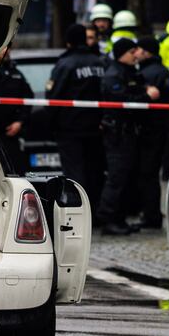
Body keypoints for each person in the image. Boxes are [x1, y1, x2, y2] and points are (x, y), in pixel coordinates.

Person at [46, 23, 111, 203]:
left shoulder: (65, 64)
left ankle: (79, 211)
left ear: (68, 42)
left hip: (70, 129)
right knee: (94, 171)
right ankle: (95, 212)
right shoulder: (100, 63)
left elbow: (53, 97)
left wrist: (50, 125)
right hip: (96, 128)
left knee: (75, 174)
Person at [97, 38, 152, 235]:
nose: (136, 54)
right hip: (117, 134)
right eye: (132, 51)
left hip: (130, 132)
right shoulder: (113, 75)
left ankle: (120, 218)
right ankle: (108, 219)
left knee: (127, 177)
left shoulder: (129, 72)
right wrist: (147, 96)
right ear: (122, 54)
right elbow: (123, 102)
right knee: (116, 176)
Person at [131, 36, 169, 229]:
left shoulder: (146, 74)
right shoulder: (163, 71)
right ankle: (152, 212)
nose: (136, 53)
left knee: (146, 173)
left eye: (138, 49)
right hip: (161, 127)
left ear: (147, 51)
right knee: (152, 173)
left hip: (148, 128)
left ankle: (150, 215)